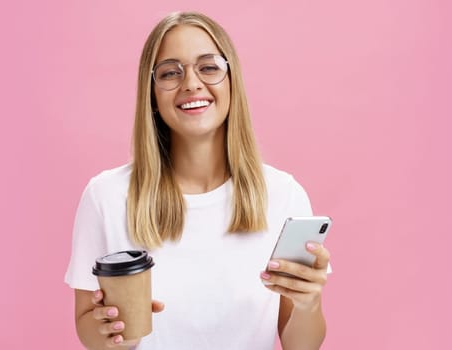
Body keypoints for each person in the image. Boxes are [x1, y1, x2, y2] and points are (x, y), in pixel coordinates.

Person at [64, 11, 331, 350]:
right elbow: (87, 324)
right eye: (170, 73)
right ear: (153, 96)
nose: (191, 83)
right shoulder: (106, 197)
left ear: (232, 81)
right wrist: (112, 335)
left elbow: (301, 345)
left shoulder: (283, 196)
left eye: (208, 67)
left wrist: (309, 303)